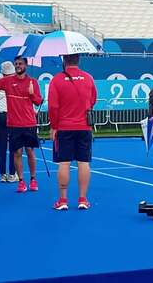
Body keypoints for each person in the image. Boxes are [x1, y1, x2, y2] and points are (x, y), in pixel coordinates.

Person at [0, 56, 43, 192]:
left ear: (26, 65)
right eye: (16, 64)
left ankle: (33, 179)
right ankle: (20, 181)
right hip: (14, 124)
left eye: (20, 64)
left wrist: (32, 94)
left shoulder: (33, 82)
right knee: (16, 153)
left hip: (29, 123)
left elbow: (38, 101)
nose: (18, 66)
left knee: (30, 152)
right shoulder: (8, 81)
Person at [48, 53, 97, 211]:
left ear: (64, 61)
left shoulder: (57, 79)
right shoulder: (88, 78)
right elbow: (93, 100)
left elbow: (53, 107)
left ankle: (63, 200)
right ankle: (83, 199)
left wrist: (54, 126)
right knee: (83, 162)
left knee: (64, 162)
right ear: (78, 60)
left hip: (64, 127)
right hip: (84, 127)